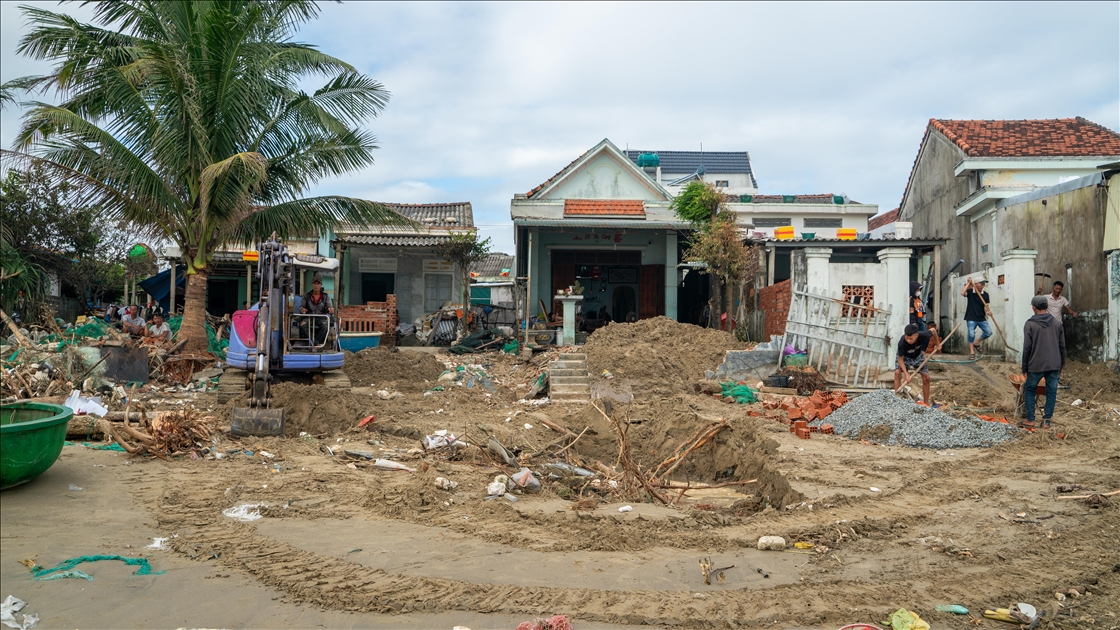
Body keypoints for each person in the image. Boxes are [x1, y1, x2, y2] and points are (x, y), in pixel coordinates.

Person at [1021, 295, 1066, 429]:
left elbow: (1027, 348)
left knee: (1029, 390)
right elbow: (1062, 345)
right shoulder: (1057, 323)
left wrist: (1024, 368)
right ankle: (1046, 421)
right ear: (1047, 307)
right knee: (1051, 391)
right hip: (1054, 364)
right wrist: (1062, 364)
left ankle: (1030, 419)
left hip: (1036, 364)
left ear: (1033, 307)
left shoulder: (1030, 324)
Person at [895, 323, 942, 404]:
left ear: (916, 335)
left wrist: (938, 344)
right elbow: (900, 359)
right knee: (897, 372)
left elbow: (933, 331)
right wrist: (906, 374)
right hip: (904, 357)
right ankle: (896, 401)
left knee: (927, 378)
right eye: (907, 338)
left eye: (911, 338)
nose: (908, 340)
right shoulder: (902, 342)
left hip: (917, 356)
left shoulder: (923, 335)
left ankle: (926, 403)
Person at [961, 277, 992, 360]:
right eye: (981, 283)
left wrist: (988, 311)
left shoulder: (985, 294)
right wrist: (968, 283)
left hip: (981, 317)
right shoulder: (970, 292)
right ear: (976, 284)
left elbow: (986, 306)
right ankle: (972, 352)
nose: (982, 285)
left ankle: (977, 342)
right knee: (971, 334)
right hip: (971, 317)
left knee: (988, 332)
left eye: (983, 284)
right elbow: (962, 293)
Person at [299, 275, 334, 346]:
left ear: (321, 285)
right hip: (309, 317)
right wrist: (302, 310)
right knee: (302, 325)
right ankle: (316, 343)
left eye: (318, 284)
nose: (316, 286)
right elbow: (301, 306)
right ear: (312, 284)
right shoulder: (306, 295)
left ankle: (314, 343)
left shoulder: (326, 296)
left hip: (321, 317)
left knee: (325, 327)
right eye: (314, 283)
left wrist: (330, 310)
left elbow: (330, 307)